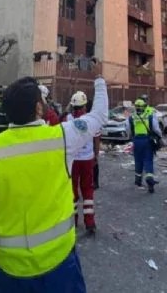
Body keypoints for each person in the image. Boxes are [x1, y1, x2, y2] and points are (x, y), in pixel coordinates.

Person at [0, 72, 108, 291]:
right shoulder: (62, 138)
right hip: (60, 265)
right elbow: (99, 115)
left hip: (10, 270)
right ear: (37, 107)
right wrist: (100, 81)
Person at [63, 91, 100, 235]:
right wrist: (96, 155)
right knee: (87, 190)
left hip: (72, 160)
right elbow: (96, 139)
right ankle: (89, 222)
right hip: (87, 159)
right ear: (85, 106)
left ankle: (73, 220)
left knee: (72, 190)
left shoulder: (67, 119)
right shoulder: (91, 120)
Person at [129, 96, 162, 193]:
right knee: (148, 160)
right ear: (144, 105)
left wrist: (132, 138)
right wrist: (160, 136)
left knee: (138, 160)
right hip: (147, 140)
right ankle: (149, 179)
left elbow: (128, 129)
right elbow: (156, 129)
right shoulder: (149, 115)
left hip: (136, 141)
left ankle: (138, 180)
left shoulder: (132, 117)